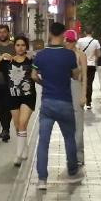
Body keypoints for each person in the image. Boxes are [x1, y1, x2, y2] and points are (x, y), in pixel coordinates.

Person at [32, 22, 81, 190]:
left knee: (43, 141)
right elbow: (75, 76)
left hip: (47, 103)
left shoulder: (41, 55)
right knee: (69, 138)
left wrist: (43, 83)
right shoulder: (69, 55)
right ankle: (73, 169)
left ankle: (42, 180)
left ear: (50, 33)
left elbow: (33, 75)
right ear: (63, 35)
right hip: (65, 102)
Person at [0, 35, 36, 166]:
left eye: (23, 45)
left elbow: (41, 67)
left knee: (22, 124)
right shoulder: (7, 63)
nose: (20, 47)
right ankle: (24, 148)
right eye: (18, 45)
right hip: (12, 97)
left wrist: (34, 55)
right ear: (14, 47)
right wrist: (2, 55)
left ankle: (18, 155)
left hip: (28, 97)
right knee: (17, 126)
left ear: (26, 47)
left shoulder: (31, 61)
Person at [64, 30, 87, 166]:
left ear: (74, 41)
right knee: (67, 125)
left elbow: (84, 77)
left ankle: (79, 155)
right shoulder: (62, 55)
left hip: (76, 88)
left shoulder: (80, 55)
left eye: (69, 40)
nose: (66, 43)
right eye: (65, 40)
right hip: (63, 90)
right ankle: (70, 155)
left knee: (78, 125)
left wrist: (83, 95)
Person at [77, 28, 101, 110]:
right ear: (92, 32)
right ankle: (88, 103)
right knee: (89, 83)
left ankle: (81, 100)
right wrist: (94, 59)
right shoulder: (96, 42)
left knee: (81, 83)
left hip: (81, 65)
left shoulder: (80, 41)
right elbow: (99, 54)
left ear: (84, 32)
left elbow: (77, 51)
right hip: (91, 65)